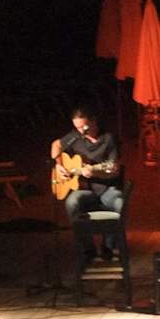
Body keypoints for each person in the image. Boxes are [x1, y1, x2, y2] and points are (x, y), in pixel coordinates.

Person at [51, 104, 124, 266]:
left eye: (83, 126)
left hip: (106, 188)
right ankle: (88, 248)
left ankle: (108, 246)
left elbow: (114, 170)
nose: (81, 131)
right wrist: (58, 164)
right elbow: (56, 145)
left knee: (119, 202)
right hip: (85, 189)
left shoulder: (108, 139)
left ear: (93, 121)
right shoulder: (75, 137)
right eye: (77, 127)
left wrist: (95, 172)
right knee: (71, 202)